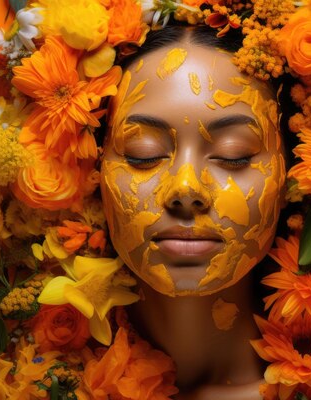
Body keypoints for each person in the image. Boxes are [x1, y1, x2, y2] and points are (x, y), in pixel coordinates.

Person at [99, 25, 288, 399]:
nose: (186, 190)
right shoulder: (33, 378)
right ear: (92, 172)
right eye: (144, 153)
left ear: (291, 176)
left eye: (234, 154)